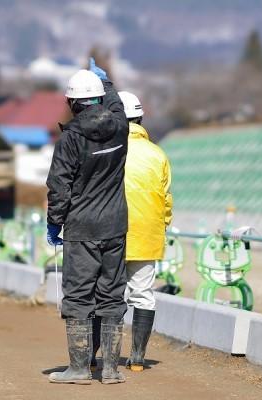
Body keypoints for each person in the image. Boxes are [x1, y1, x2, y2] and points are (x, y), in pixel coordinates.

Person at [46, 58, 129, 385]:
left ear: (71, 103)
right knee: (112, 294)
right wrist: (106, 83)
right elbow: (117, 105)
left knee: (80, 296)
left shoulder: (70, 140)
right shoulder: (121, 127)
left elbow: (59, 186)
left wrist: (55, 223)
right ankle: (110, 370)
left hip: (82, 228)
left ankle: (80, 368)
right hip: (115, 225)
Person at [90, 91, 172, 372]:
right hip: (147, 234)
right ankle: (137, 358)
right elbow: (166, 199)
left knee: (104, 293)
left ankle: (92, 356)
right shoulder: (157, 154)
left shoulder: (106, 149)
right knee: (143, 292)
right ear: (140, 118)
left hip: (109, 230)